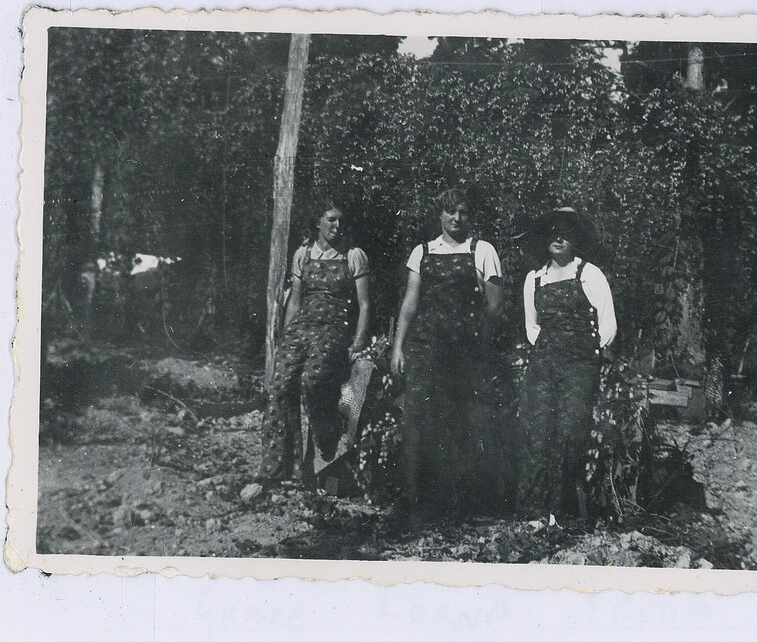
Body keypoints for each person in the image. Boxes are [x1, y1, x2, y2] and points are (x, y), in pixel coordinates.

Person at [391, 188, 504, 520]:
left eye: (463, 212)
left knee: (461, 422)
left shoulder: (482, 251)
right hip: (426, 349)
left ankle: (458, 504)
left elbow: (495, 306)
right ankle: (412, 499)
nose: (457, 218)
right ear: (439, 215)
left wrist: (475, 345)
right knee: (417, 418)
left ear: (470, 217)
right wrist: (398, 346)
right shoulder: (422, 252)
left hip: (465, 353)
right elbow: (410, 305)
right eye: (450, 212)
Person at [257, 200, 371, 490]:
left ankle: (327, 436)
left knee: (313, 379)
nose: (337, 226)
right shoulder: (303, 254)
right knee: (279, 387)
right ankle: (278, 469)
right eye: (331, 220)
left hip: (334, 328)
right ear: (318, 223)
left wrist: (358, 341)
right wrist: (285, 337)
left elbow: (365, 305)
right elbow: (295, 300)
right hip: (301, 328)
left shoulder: (353, 256)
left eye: (341, 221)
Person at [518, 207, 616, 522]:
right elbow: (532, 329)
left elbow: (607, 326)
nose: (558, 238)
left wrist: (587, 355)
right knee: (539, 432)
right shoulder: (533, 279)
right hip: (544, 365)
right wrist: (549, 354)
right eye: (553, 231)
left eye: (566, 232)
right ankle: (535, 512)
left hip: (580, 365)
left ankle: (561, 511)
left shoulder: (590, 274)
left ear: (575, 238)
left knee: (571, 432)